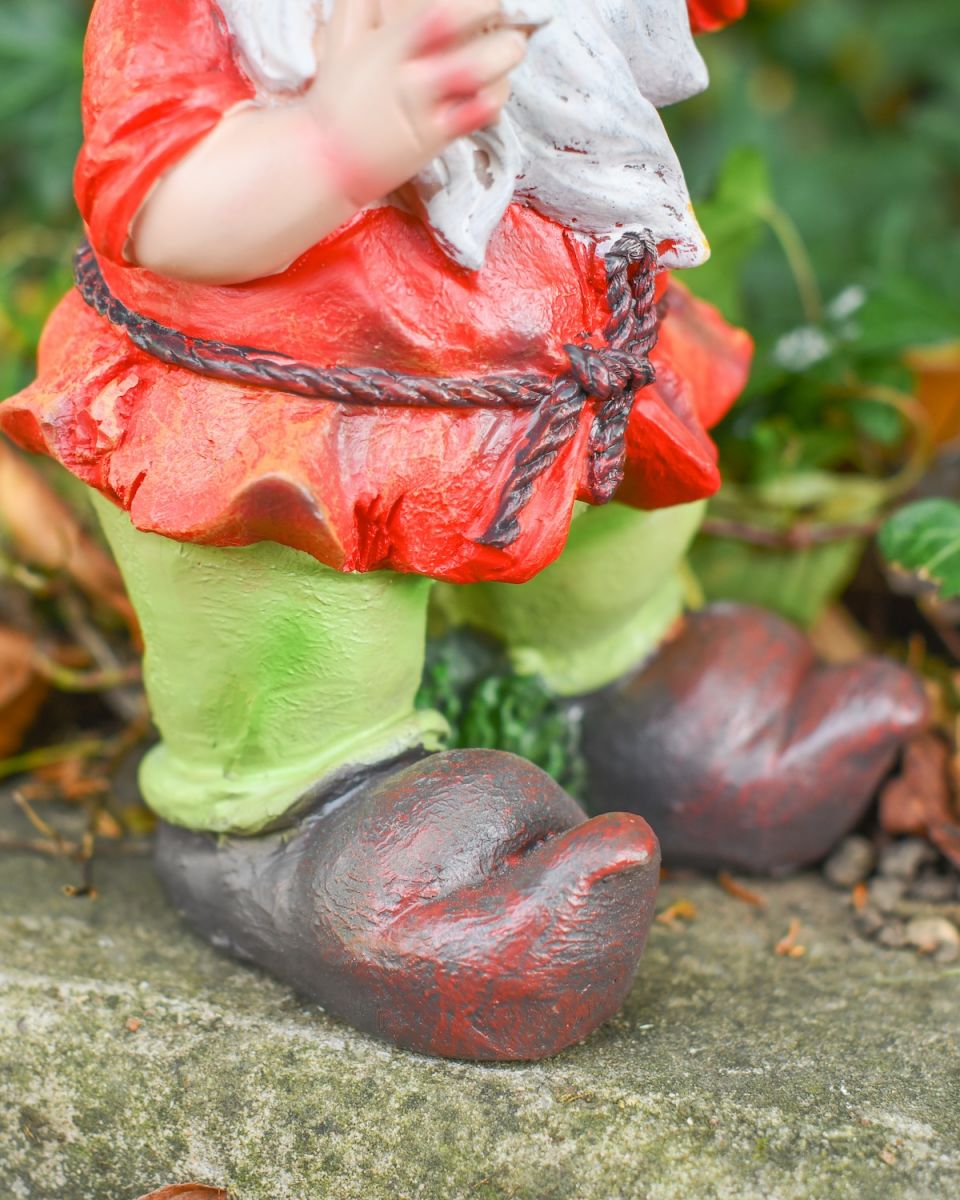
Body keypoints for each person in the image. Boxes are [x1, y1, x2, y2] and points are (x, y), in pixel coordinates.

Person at [0, 0, 925, 1059]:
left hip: (554, 371)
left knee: (616, 539)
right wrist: (333, 141)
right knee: (298, 628)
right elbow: (155, 204)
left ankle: (622, 691)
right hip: (292, 428)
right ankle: (311, 828)